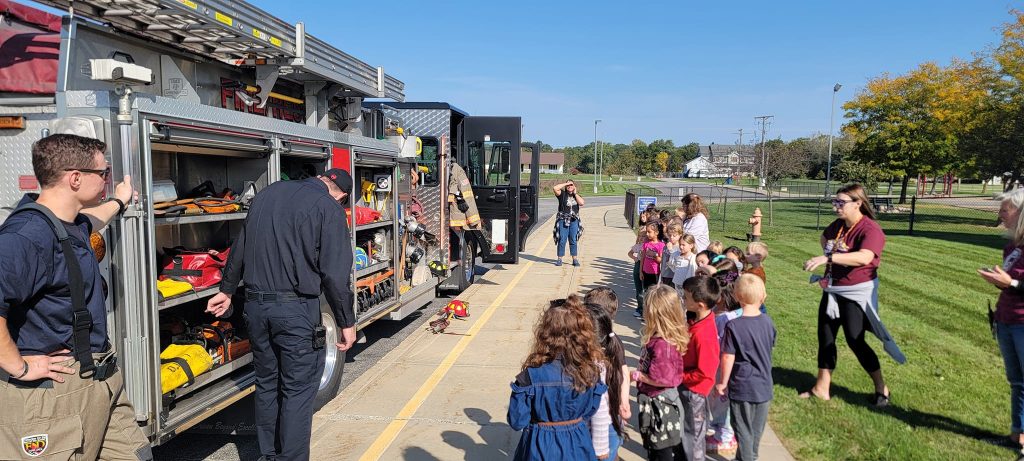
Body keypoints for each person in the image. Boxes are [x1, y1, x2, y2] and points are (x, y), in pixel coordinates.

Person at [0, 134, 152, 460]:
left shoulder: (68, 223)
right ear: (75, 178)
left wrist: (121, 201)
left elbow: (94, 222)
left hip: (100, 382)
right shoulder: (26, 236)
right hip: (53, 396)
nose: (108, 181)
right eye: (104, 174)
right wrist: (19, 367)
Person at [208, 168, 357, 461]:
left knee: (266, 384)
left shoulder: (268, 194)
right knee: (298, 391)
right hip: (295, 310)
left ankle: (268, 456)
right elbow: (336, 275)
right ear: (342, 195)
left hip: (256, 308)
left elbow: (240, 246)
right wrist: (346, 322)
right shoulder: (328, 208)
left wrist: (226, 290)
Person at [801, 183, 904, 406]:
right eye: (835, 202)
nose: (836, 206)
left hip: (856, 293)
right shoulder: (838, 225)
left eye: (841, 202)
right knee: (826, 337)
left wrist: (828, 258)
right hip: (833, 290)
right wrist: (828, 255)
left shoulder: (870, 229)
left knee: (855, 340)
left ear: (858, 203)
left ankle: (881, 387)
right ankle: (821, 388)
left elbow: (864, 257)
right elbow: (825, 238)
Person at [508, 295, 608, 460]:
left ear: (545, 333)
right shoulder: (589, 372)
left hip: (540, 446)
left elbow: (517, 420)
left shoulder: (530, 376)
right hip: (578, 443)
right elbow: (591, 409)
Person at [978, 188, 1024, 451]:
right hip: (1006, 319)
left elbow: (1017, 283)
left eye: (1005, 210)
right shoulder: (1011, 247)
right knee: (1017, 382)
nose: (1000, 215)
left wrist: (1013, 282)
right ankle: (1017, 436)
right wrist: (1000, 282)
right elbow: (1011, 284)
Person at [715, 275, 776, 461]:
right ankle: (749, 457)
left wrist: (723, 382)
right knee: (755, 431)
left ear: (736, 296)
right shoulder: (768, 322)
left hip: (742, 386)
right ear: (763, 297)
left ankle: (747, 458)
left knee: (743, 431)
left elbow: (728, 356)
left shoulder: (733, 325)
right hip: (765, 386)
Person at [632, 284, 689, 460]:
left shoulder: (662, 345)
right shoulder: (662, 338)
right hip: (659, 402)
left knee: (660, 450)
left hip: (661, 406)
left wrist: (637, 375)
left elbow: (662, 378)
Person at [680, 276, 722, 461]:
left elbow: (704, 373)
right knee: (686, 432)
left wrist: (678, 376)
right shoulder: (696, 321)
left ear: (700, 304)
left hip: (694, 392)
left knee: (693, 437)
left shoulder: (704, 335)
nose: (683, 299)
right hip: (688, 387)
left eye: (686, 297)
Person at [585, 302, 628, 460]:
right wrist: (624, 404)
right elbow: (624, 374)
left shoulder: (594, 368)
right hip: (613, 421)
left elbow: (600, 411)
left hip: (601, 430)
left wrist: (601, 448)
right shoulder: (613, 347)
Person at [585, 287, 631, 423]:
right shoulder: (615, 340)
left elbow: (623, 374)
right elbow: (624, 375)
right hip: (606, 410)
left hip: (590, 407)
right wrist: (624, 403)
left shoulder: (581, 340)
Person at [553, 180, 585, 267]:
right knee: (562, 239)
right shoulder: (562, 194)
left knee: (573, 240)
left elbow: (581, 203)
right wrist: (567, 183)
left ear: (574, 186)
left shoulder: (576, 196)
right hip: (563, 219)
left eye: (572, 185)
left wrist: (575, 193)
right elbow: (555, 188)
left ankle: (574, 259)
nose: (570, 186)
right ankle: (559, 259)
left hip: (574, 221)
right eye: (568, 185)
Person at [639, 223, 666, 318]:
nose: (647, 234)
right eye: (646, 231)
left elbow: (661, 261)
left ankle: (654, 314)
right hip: (646, 272)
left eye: (649, 232)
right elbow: (642, 257)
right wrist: (640, 270)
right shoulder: (646, 244)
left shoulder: (661, 245)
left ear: (656, 233)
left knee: (655, 294)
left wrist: (654, 256)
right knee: (646, 293)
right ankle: (646, 313)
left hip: (655, 273)